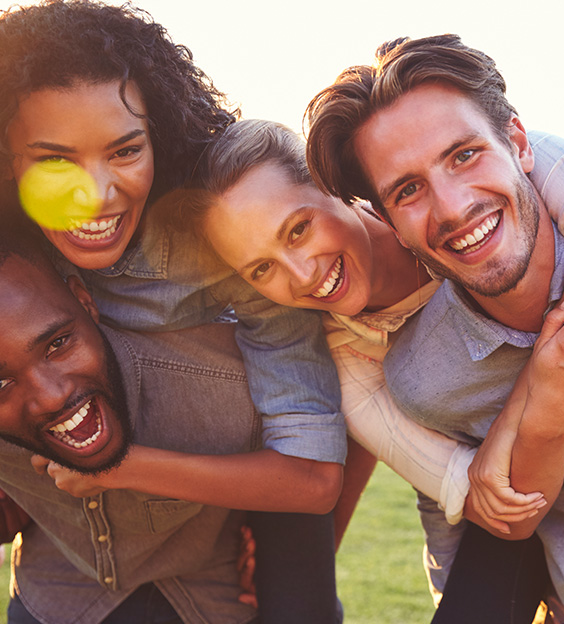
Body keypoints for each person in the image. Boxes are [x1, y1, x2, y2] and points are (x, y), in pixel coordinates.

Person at [0, 2, 344, 622]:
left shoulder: (228, 247)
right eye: (54, 160)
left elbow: (312, 467)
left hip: (216, 554)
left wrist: (120, 469)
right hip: (62, 572)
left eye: (125, 150)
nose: (96, 193)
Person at [304, 33, 564, 623]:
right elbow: (509, 509)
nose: (452, 207)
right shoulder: (427, 380)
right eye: (408, 190)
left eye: (464, 155)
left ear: (520, 144)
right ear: (391, 225)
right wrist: (549, 403)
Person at [0, 222, 267, 623]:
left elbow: (321, 464)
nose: (51, 396)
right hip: (54, 590)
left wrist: (287, 561)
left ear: (84, 301)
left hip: (209, 591)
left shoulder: (231, 383)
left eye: (58, 344)